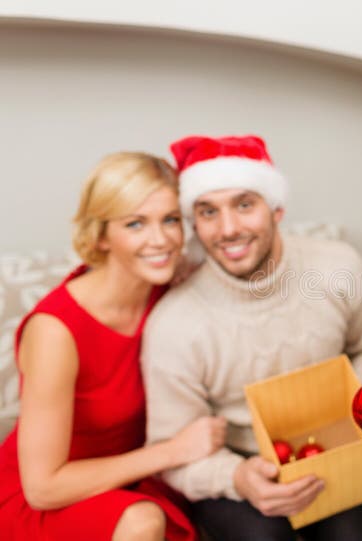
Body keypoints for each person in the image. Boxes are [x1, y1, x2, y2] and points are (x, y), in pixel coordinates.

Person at [142, 135, 362, 541]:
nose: (229, 229)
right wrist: (236, 476)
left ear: (276, 208)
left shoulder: (338, 266)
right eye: (208, 212)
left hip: (336, 451)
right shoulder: (175, 324)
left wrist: (357, 406)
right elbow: (171, 450)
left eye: (244, 204)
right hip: (237, 469)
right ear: (194, 224)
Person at [0, 152, 227, 541]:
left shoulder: (170, 289)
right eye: (135, 223)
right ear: (101, 235)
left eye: (170, 219)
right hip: (49, 496)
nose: (161, 240)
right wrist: (172, 451)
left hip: (131, 480)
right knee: (142, 521)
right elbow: (42, 488)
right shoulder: (55, 330)